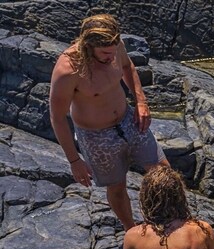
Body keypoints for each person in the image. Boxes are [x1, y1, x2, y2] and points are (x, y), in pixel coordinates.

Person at [49, 14, 168, 231]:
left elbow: (127, 67)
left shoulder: (114, 45)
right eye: (105, 54)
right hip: (96, 137)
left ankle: (168, 220)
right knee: (116, 185)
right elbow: (57, 118)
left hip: (128, 120)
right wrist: (75, 161)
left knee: (162, 171)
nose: (110, 56)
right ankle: (131, 228)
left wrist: (141, 101)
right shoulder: (68, 70)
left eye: (113, 51)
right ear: (88, 45)